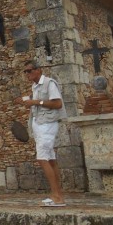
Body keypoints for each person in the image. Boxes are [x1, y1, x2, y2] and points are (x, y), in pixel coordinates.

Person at [13, 60, 67, 207]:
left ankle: (56, 196)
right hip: (40, 124)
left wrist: (37, 102)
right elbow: (36, 99)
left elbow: (57, 103)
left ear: (38, 70)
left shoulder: (49, 83)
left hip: (48, 124)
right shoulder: (35, 86)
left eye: (29, 71)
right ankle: (58, 195)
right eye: (25, 72)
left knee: (43, 158)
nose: (27, 74)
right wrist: (25, 100)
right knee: (50, 158)